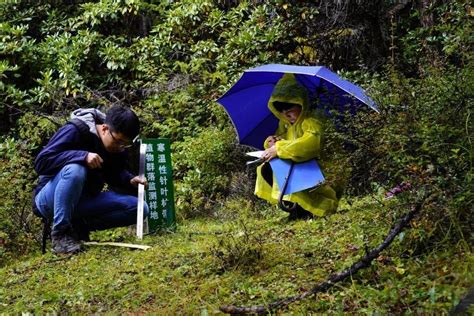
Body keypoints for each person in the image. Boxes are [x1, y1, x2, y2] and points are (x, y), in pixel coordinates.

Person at [33, 105, 149, 254]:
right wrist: (82, 156)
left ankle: (78, 227)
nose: (121, 147)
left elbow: (115, 174)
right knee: (76, 169)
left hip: (85, 201)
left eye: (126, 144)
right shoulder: (76, 130)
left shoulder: (116, 148)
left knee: (140, 208)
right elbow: (41, 162)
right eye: (119, 141)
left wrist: (129, 180)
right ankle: (61, 234)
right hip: (50, 200)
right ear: (105, 128)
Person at [255, 73, 339, 220]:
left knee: (282, 167)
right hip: (303, 168)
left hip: (320, 171)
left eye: (290, 111)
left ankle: (310, 210)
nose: (286, 116)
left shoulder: (311, 121)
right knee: (266, 167)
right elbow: (283, 140)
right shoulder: (287, 126)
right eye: (281, 112)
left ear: (301, 104)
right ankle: (297, 210)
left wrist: (279, 148)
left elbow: (310, 144)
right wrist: (272, 142)